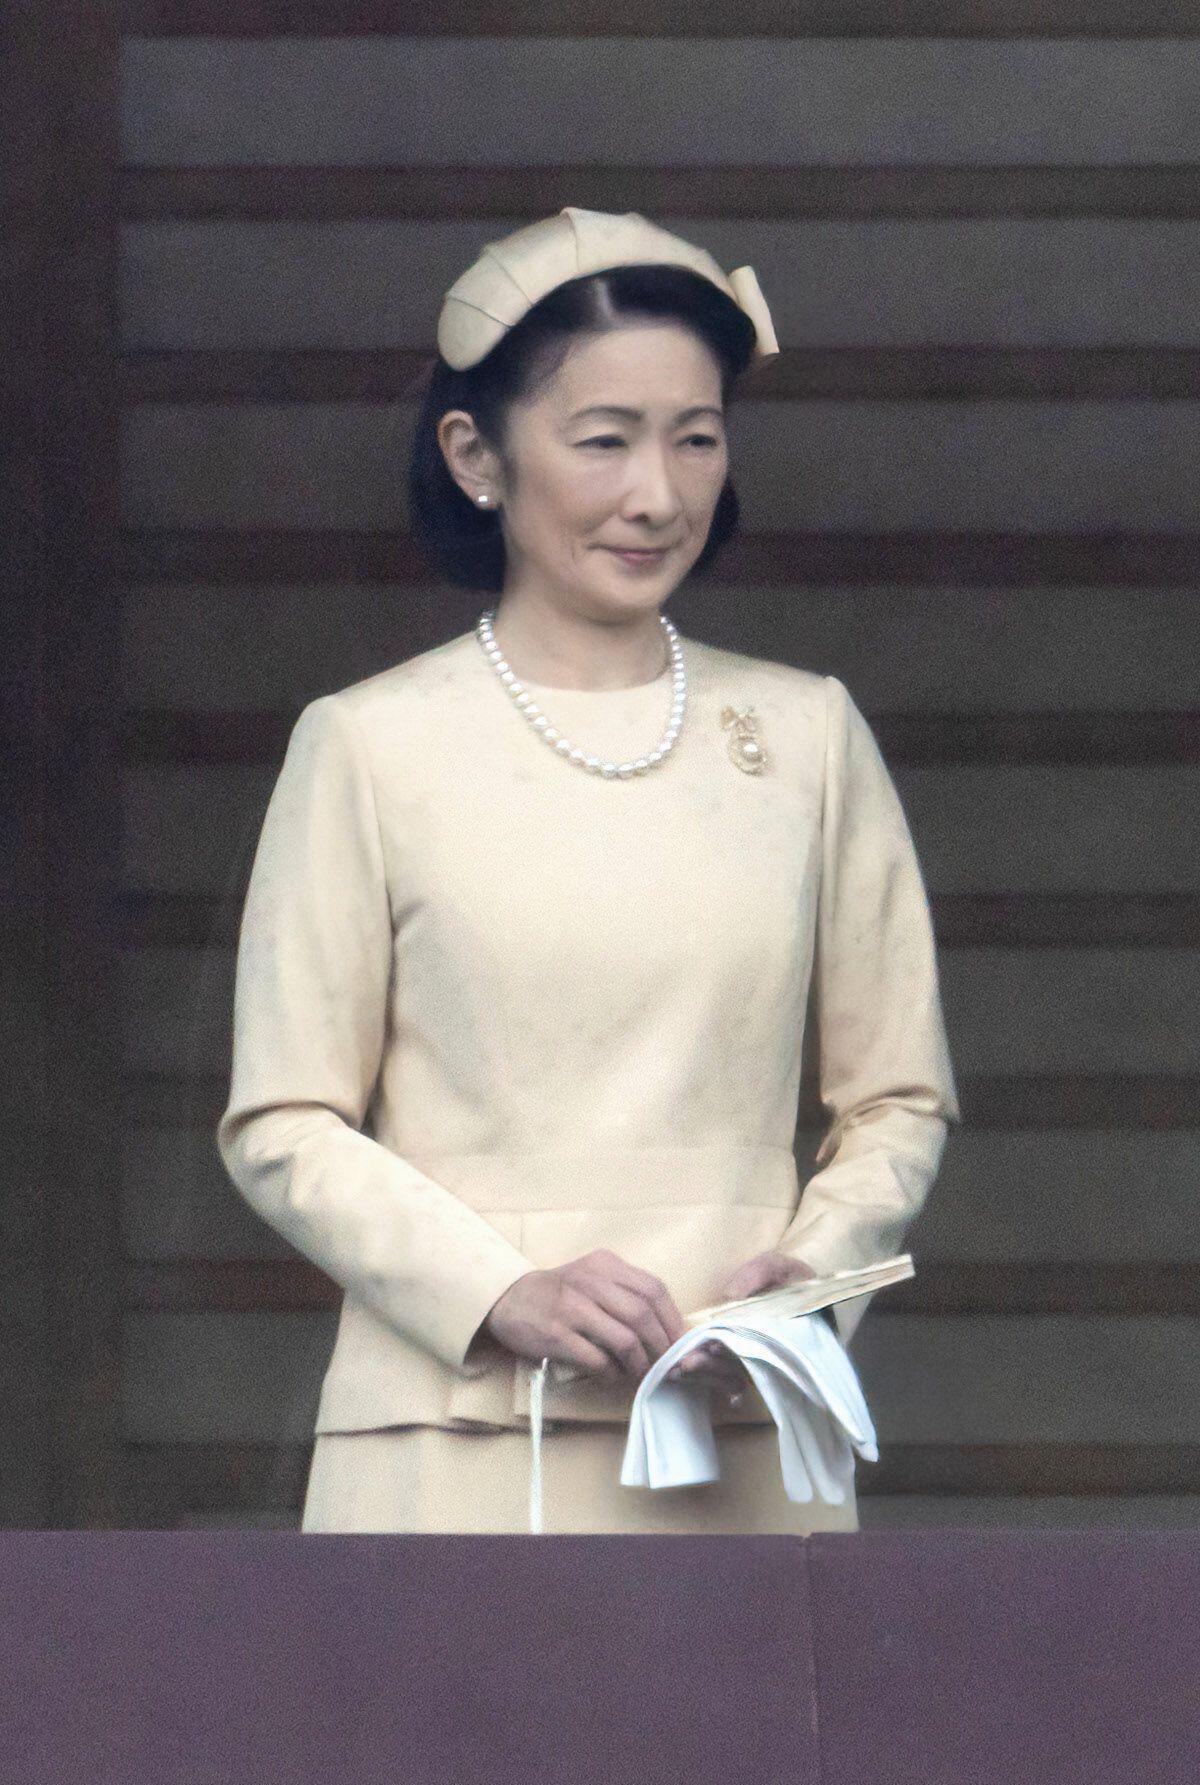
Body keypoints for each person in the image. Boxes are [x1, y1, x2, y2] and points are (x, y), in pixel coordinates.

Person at [216, 205, 961, 1534]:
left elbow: (899, 1094)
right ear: (477, 457)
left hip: (743, 1435)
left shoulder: (808, 736)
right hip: (444, 1444)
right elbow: (283, 1119)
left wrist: (808, 1277)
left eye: (697, 437)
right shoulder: (366, 745)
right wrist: (504, 1287)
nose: (658, 494)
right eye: (604, 439)